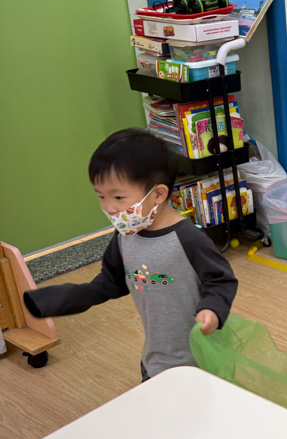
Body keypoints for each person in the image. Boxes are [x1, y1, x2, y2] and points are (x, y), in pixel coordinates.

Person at [25, 129, 238, 381]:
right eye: (101, 196)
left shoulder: (188, 239)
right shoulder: (124, 237)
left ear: (158, 194)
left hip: (200, 359)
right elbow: (110, 283)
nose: (108, 207)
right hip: (156, 358)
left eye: (118, 197)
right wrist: (62, 298)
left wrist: (212, 309)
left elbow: (221, 280)